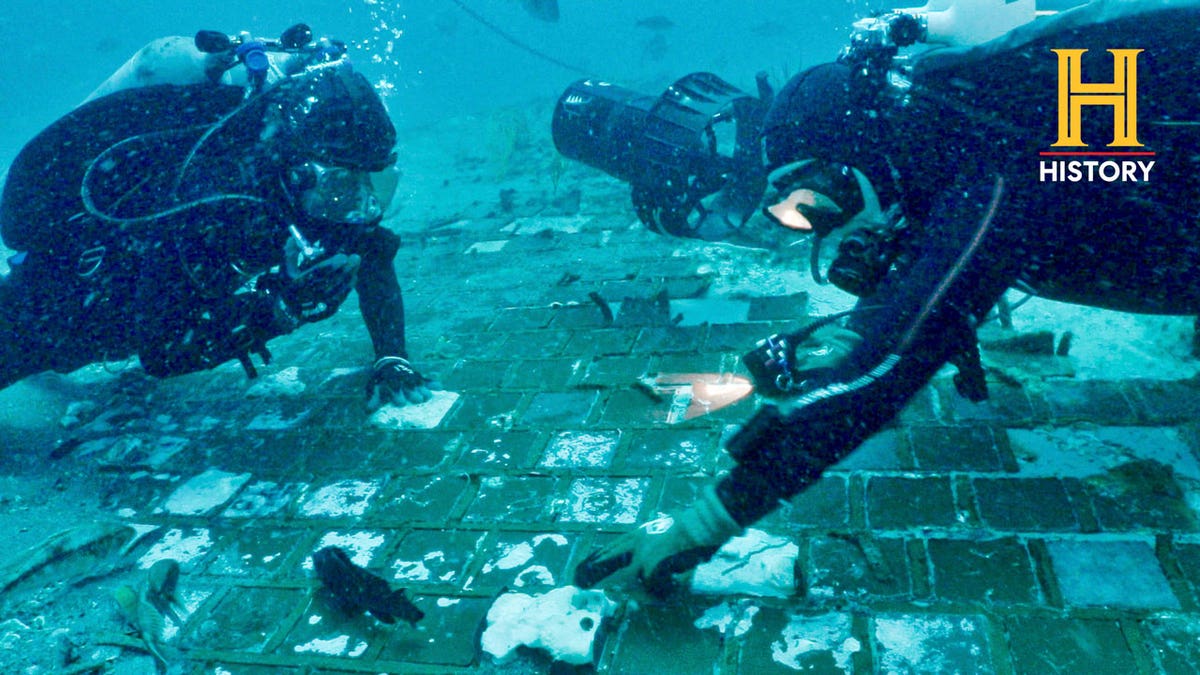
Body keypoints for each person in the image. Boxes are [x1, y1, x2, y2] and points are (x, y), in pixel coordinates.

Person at [574, 0, 1200, 595]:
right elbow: (906, 302)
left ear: (859, 154)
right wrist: (843, 340)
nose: (821, 225)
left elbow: (887, 370)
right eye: (797, 217)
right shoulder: (946, 150)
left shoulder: (991, 173)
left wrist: (707, 521)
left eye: (813, 202)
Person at [0, 26, 435, 410]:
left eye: (374, 184)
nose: (359, 205)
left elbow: (373, 253)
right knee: (29, 348)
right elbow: (162, 352)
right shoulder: (211, 199)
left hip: (141, 299)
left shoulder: (315, 185)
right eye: (343, 185)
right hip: (70, 300)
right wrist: (281, 310)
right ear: (299, 170)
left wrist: (391, 358)